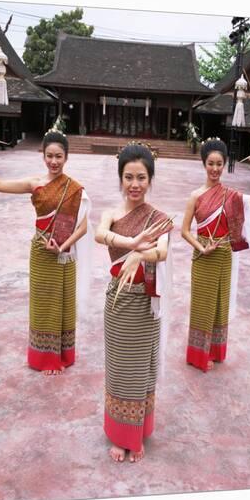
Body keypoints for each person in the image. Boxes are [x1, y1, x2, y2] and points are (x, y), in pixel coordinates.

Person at [0, 126, 91, 376]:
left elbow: (84, 225)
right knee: (43, 304)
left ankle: (63, 354)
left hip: (63, 254)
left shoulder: (75, 188)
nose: (54, 161)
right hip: (41, 254)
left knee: (63, 303)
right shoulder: (35, 184)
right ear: (43, 156)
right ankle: (46, 359)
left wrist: (62, 245)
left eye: (58, 156)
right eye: (49, 156)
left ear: (66, 157)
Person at [95, 142, 173, 463]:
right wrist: (130, 242)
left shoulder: (159, 218)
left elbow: (163, 251)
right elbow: (100, 234)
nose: (135, 184)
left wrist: (140, 253)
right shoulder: (111, 214)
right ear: (120, 178)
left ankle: (135, 432)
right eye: (129, 177)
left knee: (140, 370)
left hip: (144, 304)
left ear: (150, 179)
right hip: (118, 301)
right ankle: (119, 435)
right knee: (118, 369)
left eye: (141, 177)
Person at [181, 137, 250, 372]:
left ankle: (215, 351)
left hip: (224, 255)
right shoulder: (195, 196)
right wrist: (200, 247)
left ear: (224, 164)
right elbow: (184, 231)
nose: (215, 169)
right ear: (204, 163)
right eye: (211, 163)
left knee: (219, 303)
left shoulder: (231, 196)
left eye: (220, 163)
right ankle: (198, 355)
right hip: (203, 256)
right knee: (202, 305)